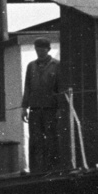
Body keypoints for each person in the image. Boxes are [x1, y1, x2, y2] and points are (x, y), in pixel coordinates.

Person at [22, 38, 65, 172]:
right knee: (35, 140)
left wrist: (60, 108)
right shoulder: (31, 66)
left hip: (50, 109)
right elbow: (27, 87)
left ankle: (52, 169)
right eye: (37, 50)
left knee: (51, 139)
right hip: (35, 109)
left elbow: (60, 88)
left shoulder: (57, 65)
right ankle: (36, 170)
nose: (39, 52)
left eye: (42, 50)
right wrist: (24, 107)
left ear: (48, 49)